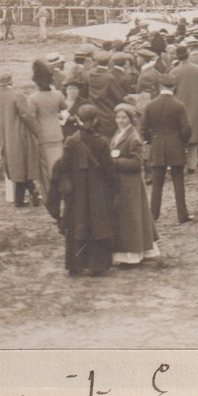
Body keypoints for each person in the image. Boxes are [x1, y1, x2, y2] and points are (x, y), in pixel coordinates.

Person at [46, 104, 118, 278]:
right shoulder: (101, 142)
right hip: (97, 192)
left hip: (76, 194)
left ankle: (75, 265)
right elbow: (109, 170)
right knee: (97, 225)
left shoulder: (71, 141)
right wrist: (115, 188)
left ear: (77, 120)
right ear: (95, 121)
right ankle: (97, 265)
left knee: (75, 224)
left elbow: (62, 166)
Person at [108, 103, 160, 265]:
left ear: (130, 119)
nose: (120, 120)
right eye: (118, 117)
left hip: (131, 183)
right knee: (129, 217)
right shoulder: (119, 133)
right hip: (122, 182)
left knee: (132, 217)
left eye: (124, 117)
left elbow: (137, 164)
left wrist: (114, 161)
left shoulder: (134, 137)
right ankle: (135, 250)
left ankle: (133, 254)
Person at [141, 70, 191, 224]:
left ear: (160, 86)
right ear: (174, 87)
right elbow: (186, 129)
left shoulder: (150, 105)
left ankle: (153, 215)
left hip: (157, 147)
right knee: (178, 181)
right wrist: (183, 141)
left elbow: (143, 128)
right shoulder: (179, 105)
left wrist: (151, 141)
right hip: (175, 146)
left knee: (157, 183)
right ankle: (182, 215)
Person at [0, 70, 43, 207]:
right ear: (10, 81)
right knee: (24, 164)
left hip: (4, 136)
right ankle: (32, 191)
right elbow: (26, 116)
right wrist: (38, 132)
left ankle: (20, 198)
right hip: (20, 134)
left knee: (16, 166)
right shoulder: (17, 95)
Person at [29, 59, 67, 203]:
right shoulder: (57, 95)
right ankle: (61, 192)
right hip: (57, 132)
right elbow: (64, 108)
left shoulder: (33, 98)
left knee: (46, 169)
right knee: (58, 164)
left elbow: (32, 118)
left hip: (43, 135)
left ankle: (50, 196)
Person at [171, 45, 198, 173]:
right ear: (188, 54)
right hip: (196, 107)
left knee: (179, 136)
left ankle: (179, 163)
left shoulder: (174, 72)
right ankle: (192, 165)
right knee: (194, 137)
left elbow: (170, 91)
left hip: (179, 108)